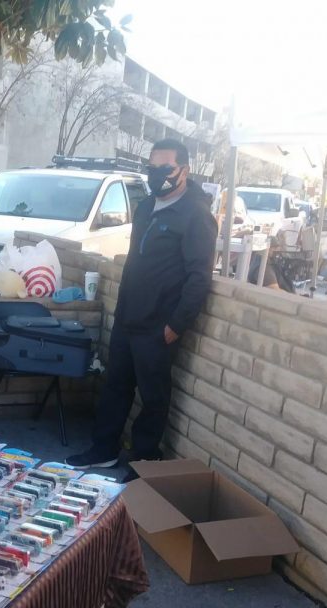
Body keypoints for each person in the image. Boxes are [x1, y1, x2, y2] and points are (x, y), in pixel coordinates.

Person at [66, 139, 217, 480]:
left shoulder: (196, 215)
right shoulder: (147, 206)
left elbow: (199, 277)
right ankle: (103, 450)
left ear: (184, 171)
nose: (157, 175)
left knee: (153, 397)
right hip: (129, 317)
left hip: (159, 326)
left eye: (165, 169)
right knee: (115, 387)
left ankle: (144, 462)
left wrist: (175, 325)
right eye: (152, 168)